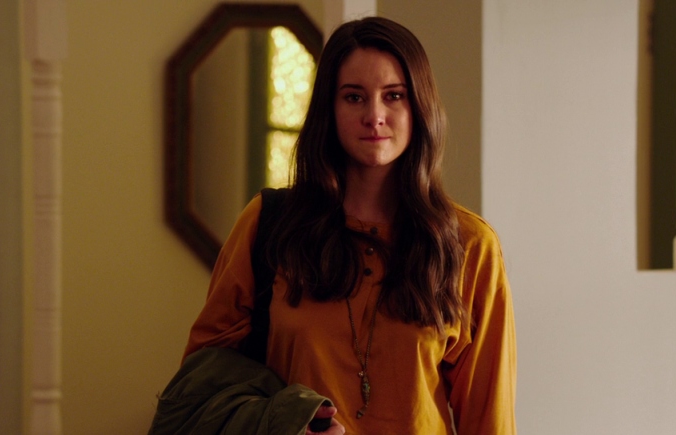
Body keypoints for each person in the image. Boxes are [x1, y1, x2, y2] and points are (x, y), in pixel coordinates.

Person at [183, 16, 516, 435]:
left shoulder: (469, 245)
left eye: (393, 96)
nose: (374, 116)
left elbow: (489, 418)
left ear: (419, 106)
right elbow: (201, 382)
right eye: (354, 97)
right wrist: (284, 423)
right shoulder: (269, 224)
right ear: (330, 108)